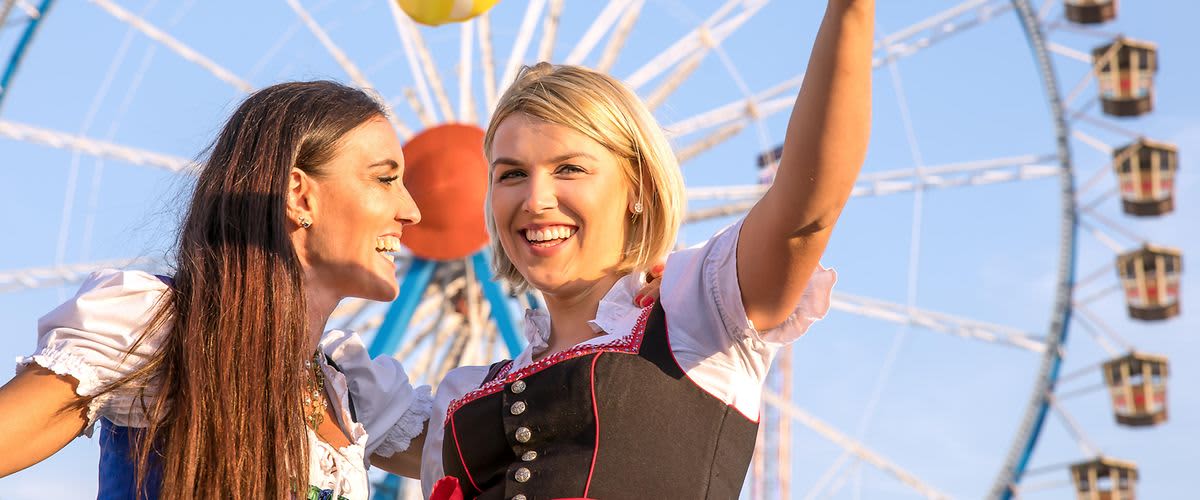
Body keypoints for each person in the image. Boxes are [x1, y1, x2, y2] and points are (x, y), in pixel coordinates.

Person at [421, 1, 874, 498]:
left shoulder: (697, 315)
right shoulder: (462, 395)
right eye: (511, 174)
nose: (536, 200)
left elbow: (806, 207)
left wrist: (850, 11)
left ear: (637, 187)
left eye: (569, 169)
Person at [0, 81, 433, 499]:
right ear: (299, 196)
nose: (411, 211)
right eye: (385, 179)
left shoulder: (348, 387)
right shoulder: (159, 328)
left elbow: (488, 448)